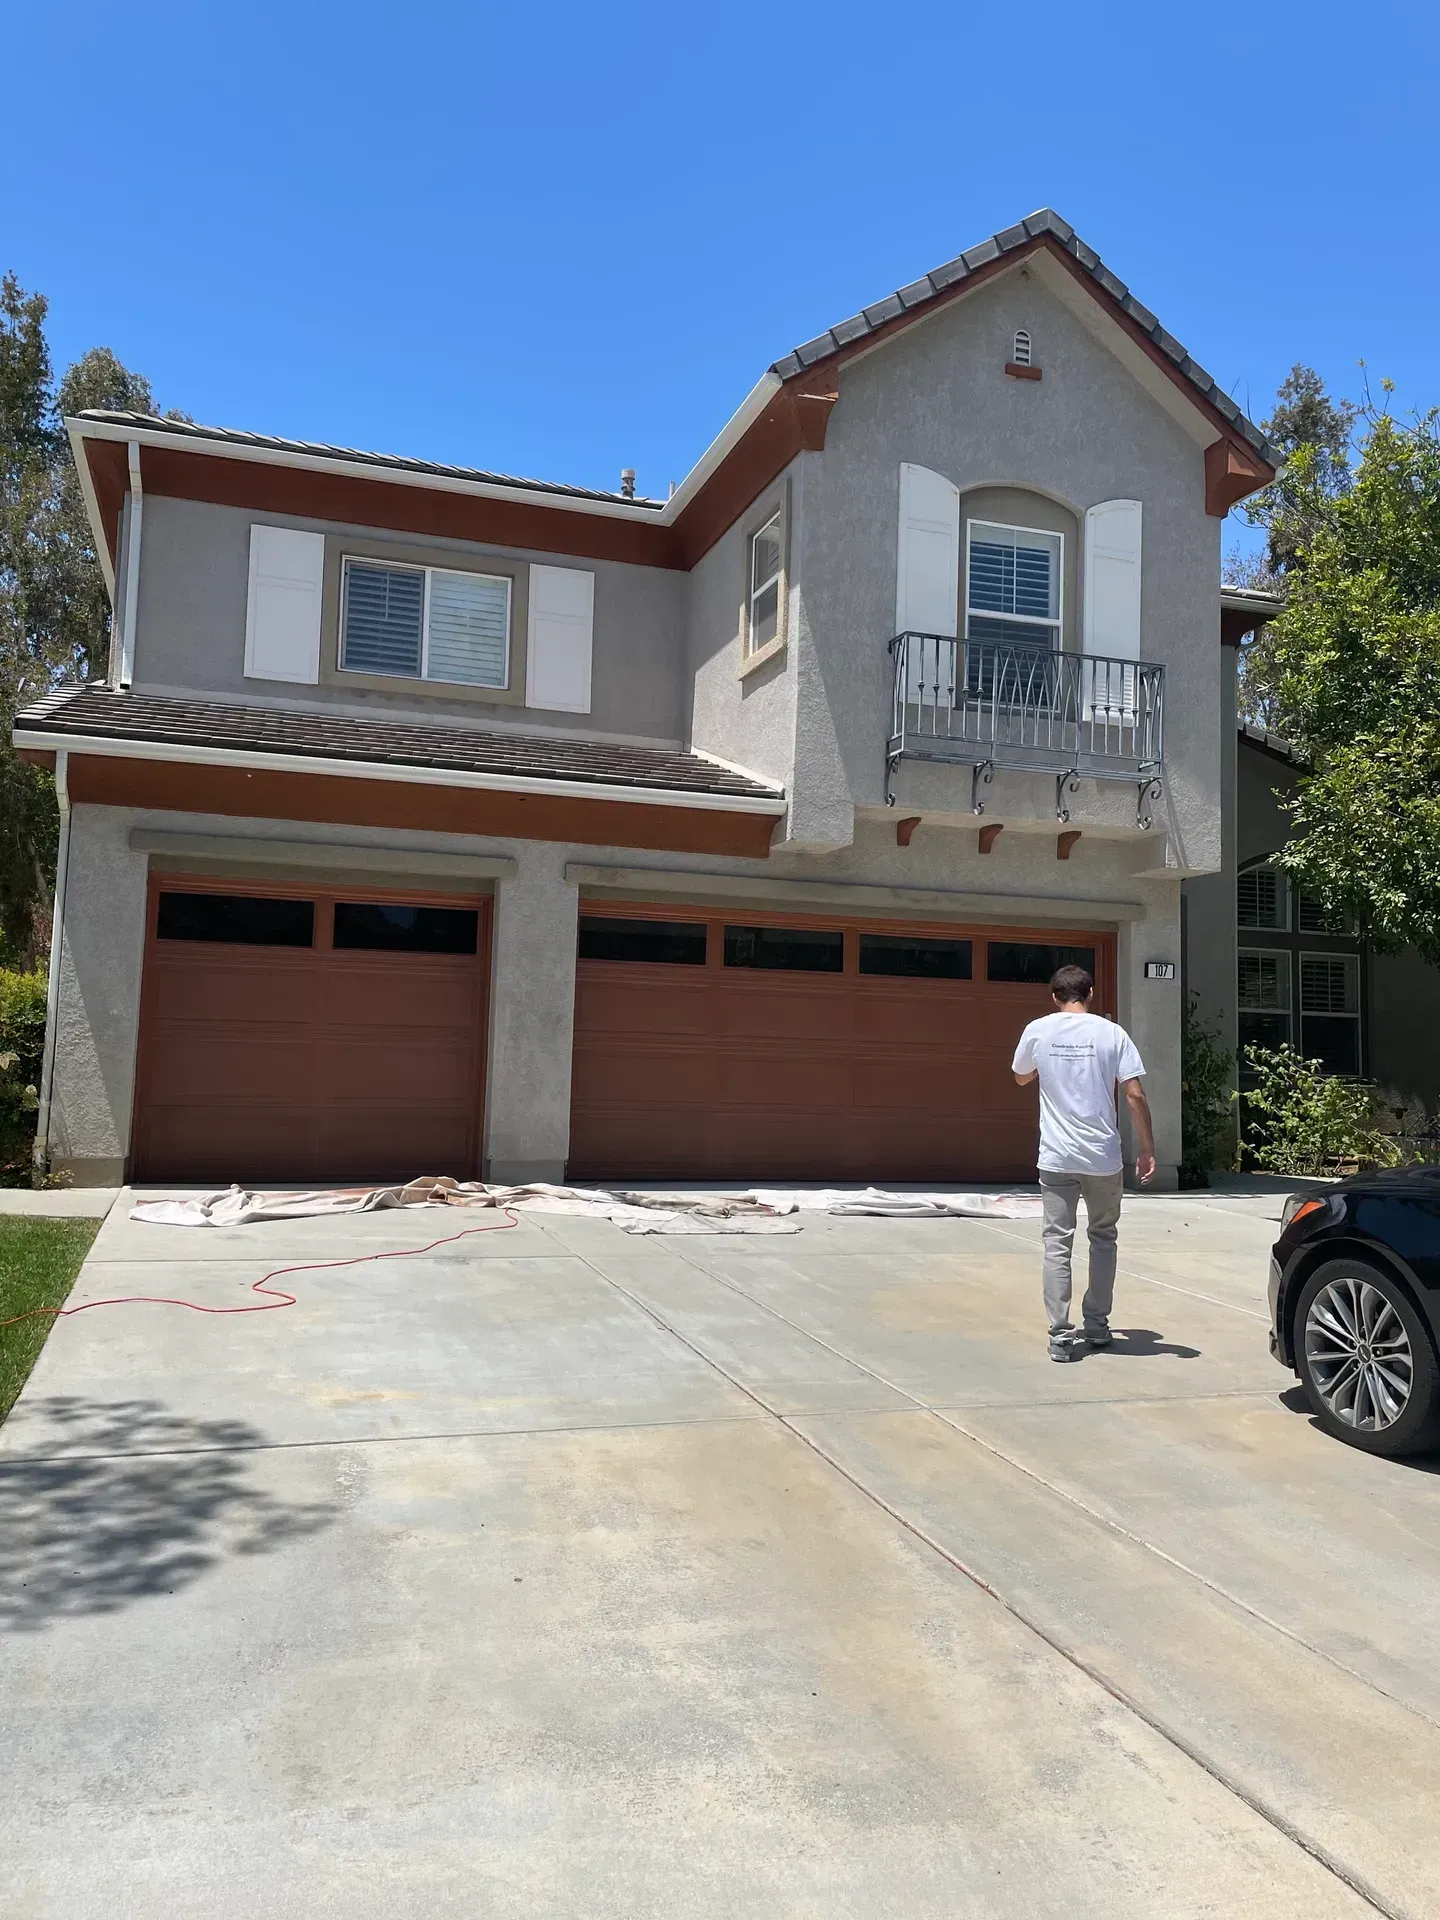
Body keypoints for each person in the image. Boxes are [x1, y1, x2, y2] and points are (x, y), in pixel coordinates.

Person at [1011, 964, 1156, 1362]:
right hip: (1102, 1158)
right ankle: (1097, 1325)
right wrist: (1146, 1147)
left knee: (1057, 1244)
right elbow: (1134, 1094)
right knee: (1103, 1238)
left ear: (1053, 996)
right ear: (1090, 993)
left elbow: (1021, 1077)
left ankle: (1060, 1335)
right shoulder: (1112, 1033)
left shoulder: (1039, 1030)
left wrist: (1050, 1063)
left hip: (1056, 1157)